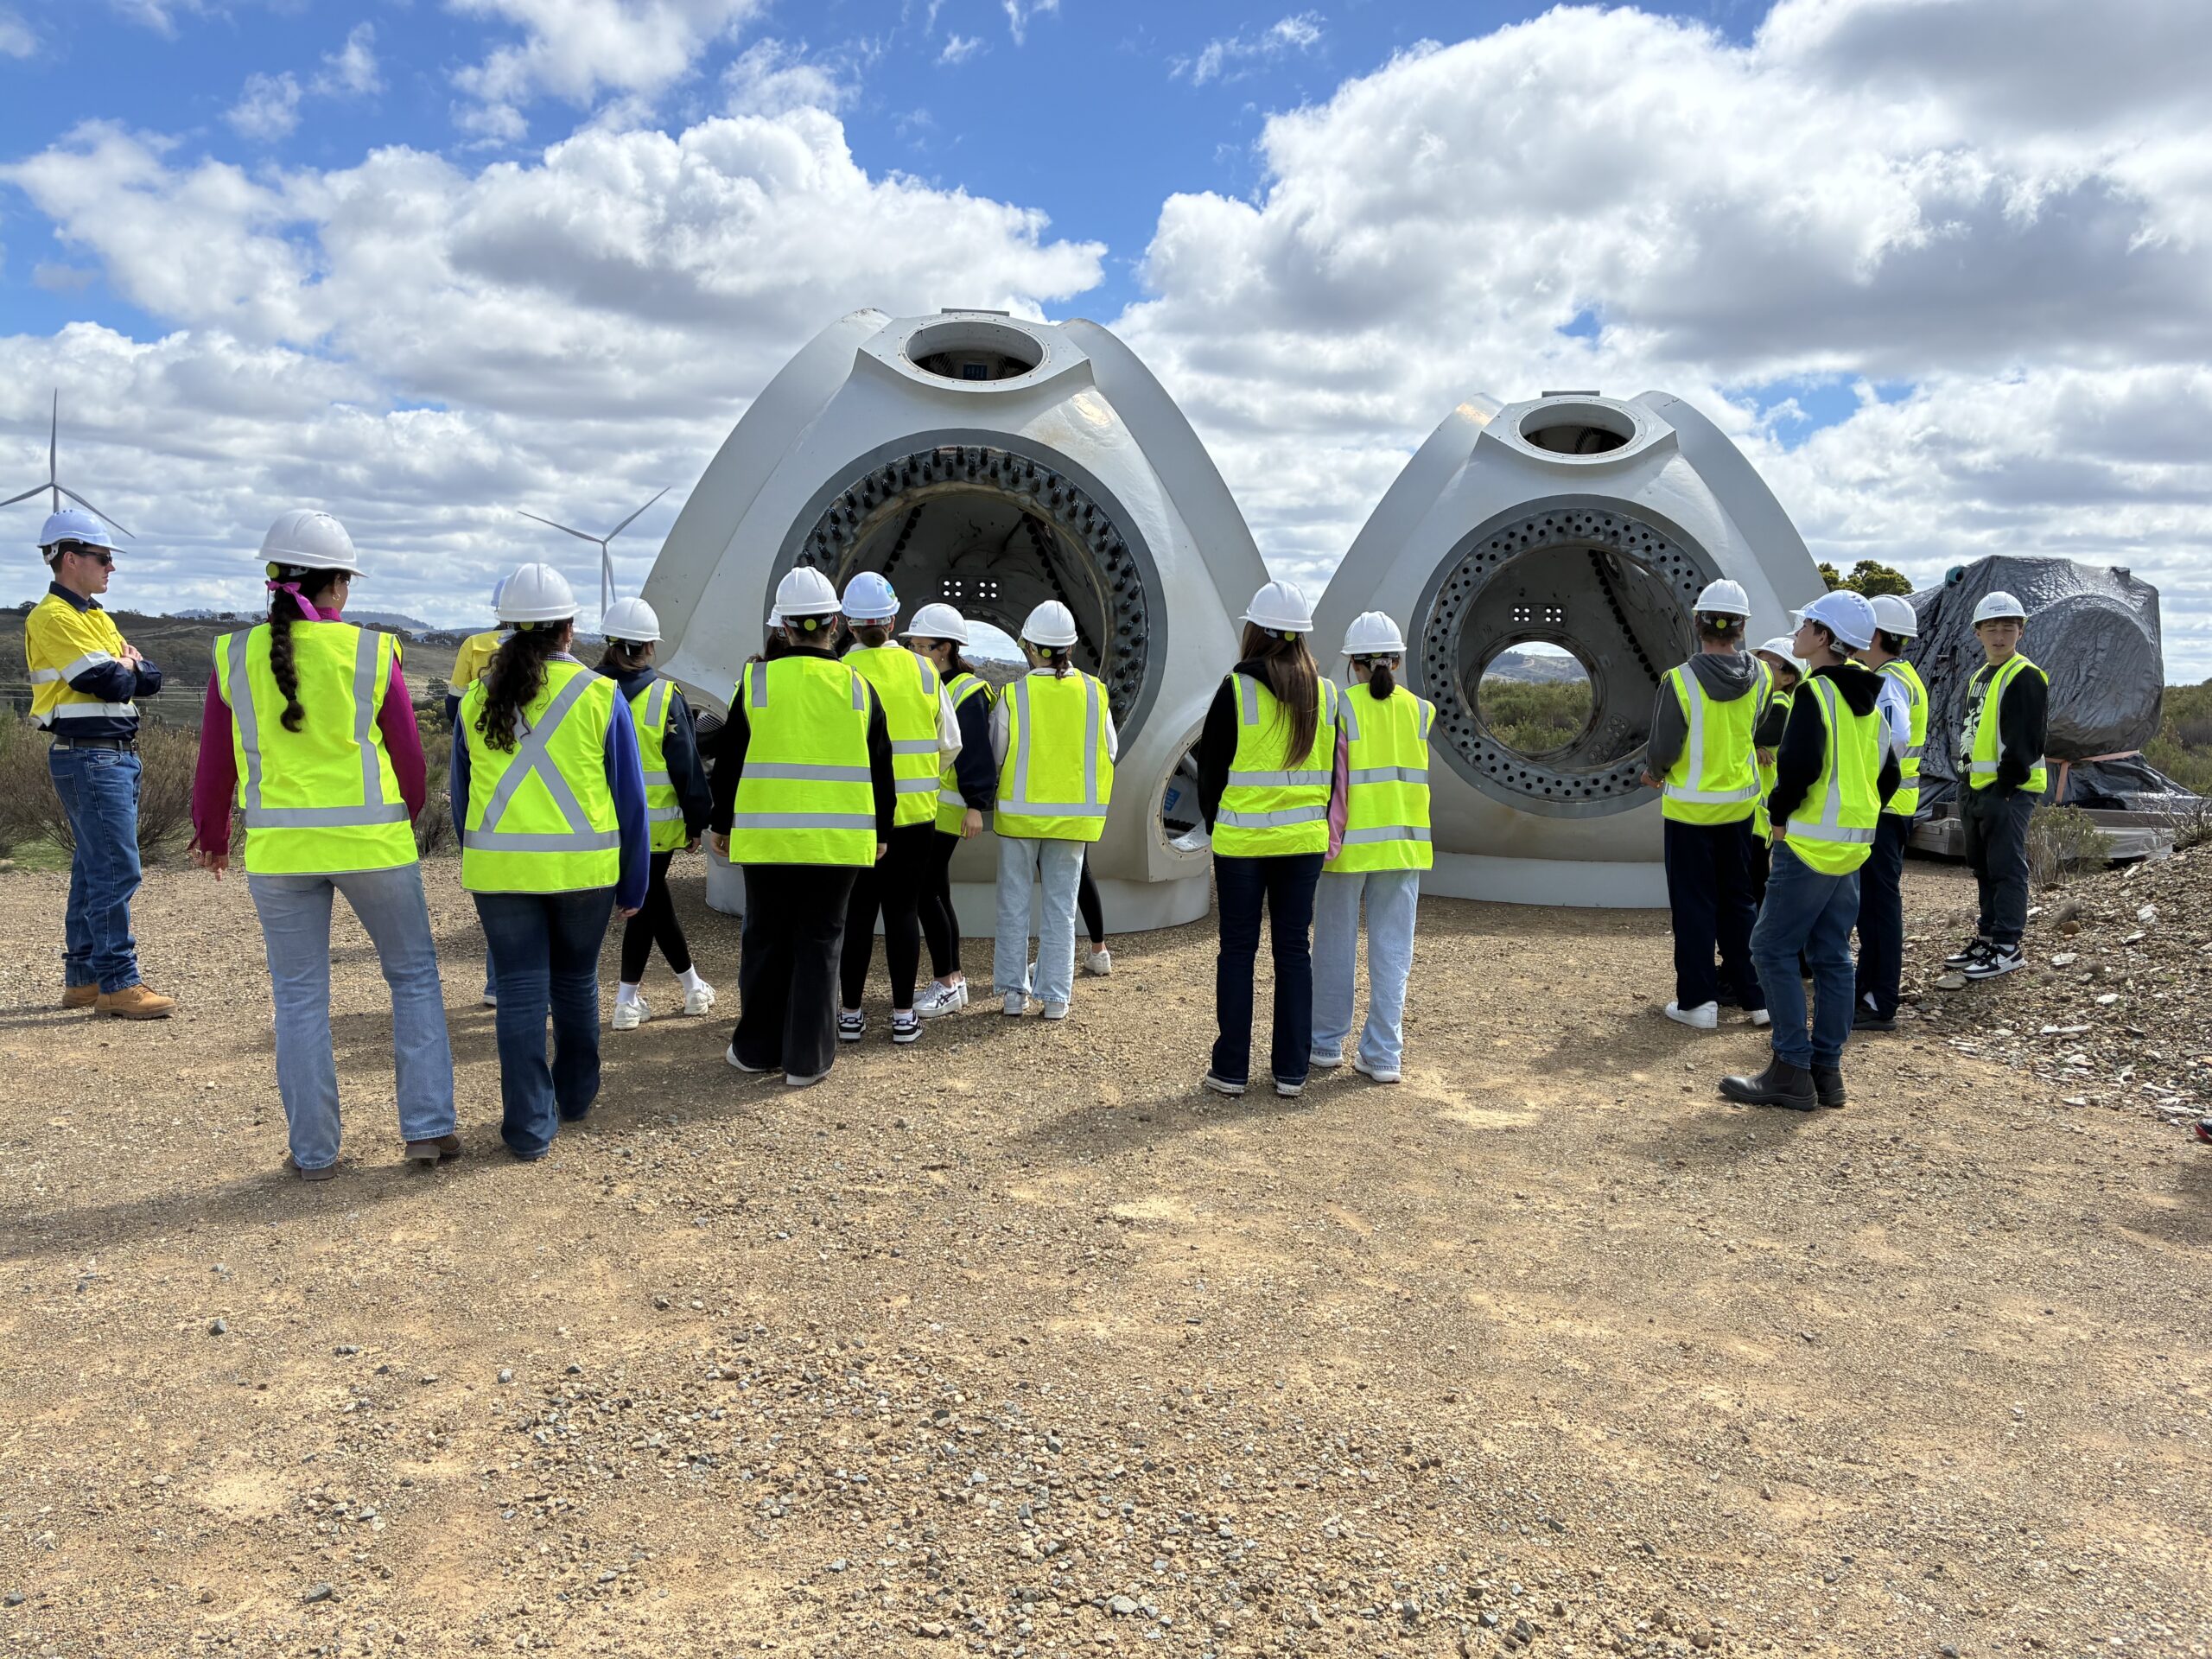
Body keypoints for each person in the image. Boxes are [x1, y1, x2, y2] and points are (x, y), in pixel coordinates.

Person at [188, 512, 456, 1179]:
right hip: (374, 846)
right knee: (413, 978)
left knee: (300, 997)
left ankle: (314, 1154)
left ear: (274, 578)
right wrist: (403, 817)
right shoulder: (372, 651)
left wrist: (213, 836)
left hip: (280, 854)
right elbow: (410, 759)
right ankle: (427, 1130)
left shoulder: (232, 655)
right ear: (337, 584)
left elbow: (215, 763)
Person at [452, 563, 648, 1160]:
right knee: (575, 982)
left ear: (509, 629)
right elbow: (630, 798)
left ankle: (529, 1127)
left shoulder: (475, 699)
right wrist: (634, 881)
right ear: (569, 629)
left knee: (518, 991)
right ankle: (576, 1096)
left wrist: (480, 856)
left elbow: (461, 797)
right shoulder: (601, 695)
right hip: (584, 874)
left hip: (501, 873)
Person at [709, 567, 897, 1086]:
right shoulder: (859, 688)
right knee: (820, 943)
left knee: (765, 940)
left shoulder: (756, 683)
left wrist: (721, 822)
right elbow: (881, 766)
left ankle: (755, 1050)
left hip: (767, 840)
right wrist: (882, 832)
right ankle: (807, 1060)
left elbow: (730, 761)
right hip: (837, 844)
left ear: (783, 627)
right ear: (835, 624)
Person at [1721, 591, 1900, 1112]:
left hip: (1808, 845)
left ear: (1824, 637)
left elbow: (1799, 768)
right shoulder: (1870, 697)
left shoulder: (1815, 694)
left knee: (1770, 948)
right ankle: (1827, 1071)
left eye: (1806, 626)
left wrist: (1779, 819)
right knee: (1833, 955)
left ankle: (1790, 1069)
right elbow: (1888, 773)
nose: (1797, 634)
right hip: (1851, 847)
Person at [1194, 580, 1341, 1098]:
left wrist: (1216, 824)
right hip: (1303, 844)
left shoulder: (1235, 689)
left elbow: (1210, 773)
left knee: (1238, 951)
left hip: (1242, 845)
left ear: (1255, 631)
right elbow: (1332, 774)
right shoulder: (1327, 694)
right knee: (1293, 951)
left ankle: (1231, 1070)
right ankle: (1292, 1071)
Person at [25, 509, 173, 1018]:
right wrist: (127, 662)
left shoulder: (96, 617)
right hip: (89, 754)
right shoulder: (53, 617)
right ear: (71, 558)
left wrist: (129, 666)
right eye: (104, 557)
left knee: (94, 868)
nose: (112, 567)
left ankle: (85, 979)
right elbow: (106, 681)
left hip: (112, 755)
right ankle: (118, 982)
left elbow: (150, 678)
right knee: (115, 868)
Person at [834, 572, 961, 1046]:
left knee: (858, 915)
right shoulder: (925, 672)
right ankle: (904, 1017)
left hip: (857, 817)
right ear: (892, 621)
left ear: (848, 623)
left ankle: (850, 1015)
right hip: (915, 817)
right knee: (904, 914)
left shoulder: (839, 672)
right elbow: (950, 744)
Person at [1641, 579, 1770, 1032]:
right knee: (1740, 902)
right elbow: (1755, 727)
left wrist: (1654, 773)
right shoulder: (1763, 676)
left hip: (1689, 813)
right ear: (1742, 627)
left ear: (1698, 623)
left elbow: (1664, 746)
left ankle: (1698, 1003)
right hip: (1740, 810)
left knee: (1694, 906)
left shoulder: (1679, 680)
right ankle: (1758, 1000)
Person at [1311, 611, 1432, 1085]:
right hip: (1403, 848)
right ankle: (1383, 1055)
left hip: (1346, 849)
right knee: (1393, 951)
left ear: (1353, 663)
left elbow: (1335, 783)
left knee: (1334, 946)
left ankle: (1324, 1045)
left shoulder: (1340, 707)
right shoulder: (1421, 711)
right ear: (1396, 662)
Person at [990, 601, 1117, 1021]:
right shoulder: (1095, 693)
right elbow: (1110, 751)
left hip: (1019, 817)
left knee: (1014, 905)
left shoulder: (1014, 694)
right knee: (1061, 909)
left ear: (1030, 647)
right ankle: (1056, 999)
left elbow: (997, 752)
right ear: (1071, 648)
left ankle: (1014, 995)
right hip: (1073, 820)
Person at [595, 596, 716, 1031]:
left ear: (610, 642)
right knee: (647, 904)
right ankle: (627, 1001)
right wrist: (698, 821)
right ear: (650, 646)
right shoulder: (665, 695)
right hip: (655, 828)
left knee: (652, 902)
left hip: (599, 824)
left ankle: (692, 987)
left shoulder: (585, 691)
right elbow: (687, 766)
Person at [1945, 590, 2048, 982]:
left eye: (2008, 627)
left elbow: (2028, 740)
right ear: (1978, 632)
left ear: (2021, 631)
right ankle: (1988, 937)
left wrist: (2005, 786)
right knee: (1984, 867)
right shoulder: (1980, 676)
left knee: (2006, 867)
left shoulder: (2025, 675)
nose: (2000, 636)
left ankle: (2007, 945)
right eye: (1992, 628)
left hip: (2007, 791)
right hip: (1976, 787)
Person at [905, 602, 996, 1020]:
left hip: (949, 809)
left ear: (945, 649)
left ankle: (946, 983)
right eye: (912, 645)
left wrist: (977, 805)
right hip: (933, 808)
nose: (914, 652)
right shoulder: (933, 684)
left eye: (921, 646)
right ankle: (953, 981)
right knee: (936, 892)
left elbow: (975, 753)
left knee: (926, 893)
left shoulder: (965, 691)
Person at [1850, 593, 1928, 1028]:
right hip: (1896, 806)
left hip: (1886, 807)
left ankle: (1878, 1000)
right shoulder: (1903, 676)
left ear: (1876, 634)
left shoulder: (1888, 681)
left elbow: (1894, 737)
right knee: (1877, 905)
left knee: (1878, 907)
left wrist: (1871, 784)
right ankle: (1870, 991)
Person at [448, 581, 510, 1007]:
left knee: (502, 891)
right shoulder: (570, 668)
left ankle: (497, 983)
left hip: (487, 763)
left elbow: (455, 708)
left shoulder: (475, 645)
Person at [1747, 637, 1802, 906]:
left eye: (1770, 664)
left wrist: (1752, 743)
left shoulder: (1778, 703)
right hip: (1753, 808)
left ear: (1788, 678)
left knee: (1754, 880)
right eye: (1759, 660)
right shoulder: (1760, 702)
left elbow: (1737, 733)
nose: (1762, 666)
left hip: (1757, 813)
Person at [444, 580, 508, 726]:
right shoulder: (551, 647)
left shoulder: (474, 645)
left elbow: (455, 706)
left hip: (483, 734)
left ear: (498, 609)